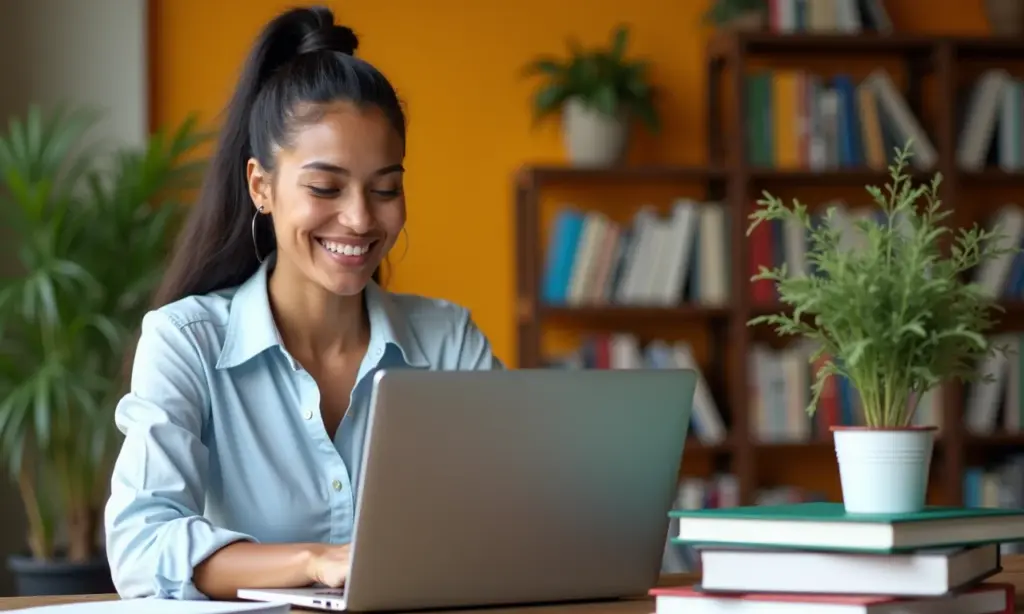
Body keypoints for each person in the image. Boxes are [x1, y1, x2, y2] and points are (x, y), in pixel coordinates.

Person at [103, 5, 502, 602]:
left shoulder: (449, 340)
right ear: (261, 186)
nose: (362, 218)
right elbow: (141, 546)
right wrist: (315, 561)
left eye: (386, 188)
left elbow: (514, 516)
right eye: (325, 187)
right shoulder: (186, 341)